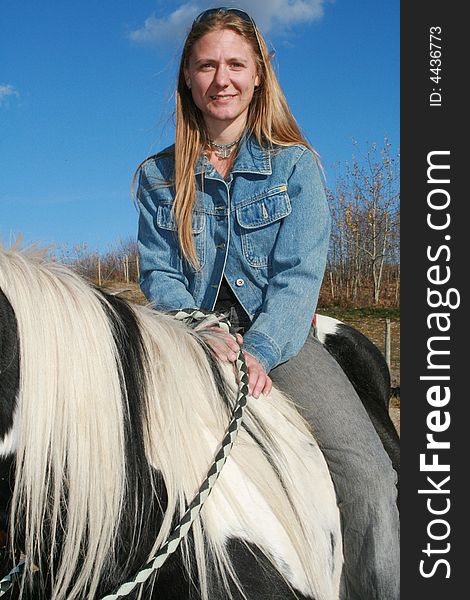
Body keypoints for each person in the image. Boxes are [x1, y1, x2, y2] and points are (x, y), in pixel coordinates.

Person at [136, 7, 399, 599]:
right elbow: (159, 274)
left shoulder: (295, 166)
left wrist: (257, 348)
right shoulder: (157, 178)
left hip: (278, 338)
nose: (220, 78)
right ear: (186, 76)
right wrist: (196, 327)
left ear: (259, 75)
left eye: (235, 64)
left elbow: (298, 276)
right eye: (206, 65)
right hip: (187, 338)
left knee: (368, 472)